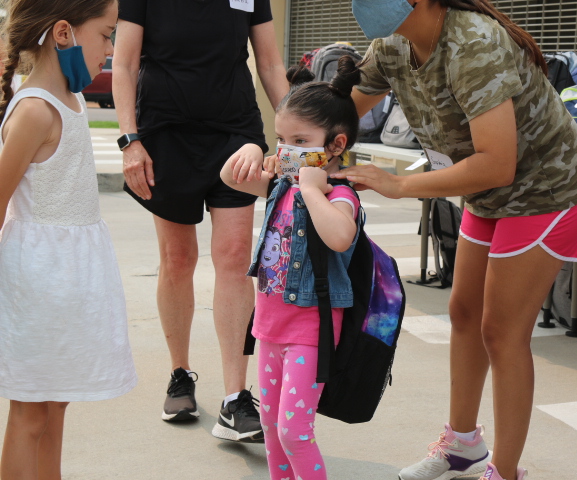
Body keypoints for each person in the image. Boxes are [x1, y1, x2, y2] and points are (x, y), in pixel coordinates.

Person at [335, 1, 577, 479]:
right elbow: (340, 113)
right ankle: (461, 445)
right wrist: (296, 149)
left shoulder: (473, 43)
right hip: (486, 193)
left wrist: (399, 184)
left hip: (546, 186)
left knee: (502, 332)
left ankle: (507, 470)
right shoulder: (393, 45)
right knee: (464, 312)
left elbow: (498, 161)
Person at [112, 0, 289, 440]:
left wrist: (295, 136)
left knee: (234, 256)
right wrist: (130, 139)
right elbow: (126, 62)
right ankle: (180, 374)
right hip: (165, 134)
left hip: (235, 133)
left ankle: (235, 398)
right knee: (178, 258)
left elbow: (268, 62)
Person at [0, 0, 137, 477]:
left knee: (55, 408)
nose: (111, 46)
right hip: (37, 287)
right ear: (63, 33)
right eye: (106, 33)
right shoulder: (36, 111)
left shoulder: (73, 102)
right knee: (31, 414)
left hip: (68, 286)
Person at [220, 57, 362, 480]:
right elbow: (230, 178)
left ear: (335, 145)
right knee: (270, 427)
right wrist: (250, 149)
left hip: (309, 333)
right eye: (281, 138)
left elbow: (339, 236)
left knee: (295, 431)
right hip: (269, 326)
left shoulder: (339, 194)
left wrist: (312, 191)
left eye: (300, 139)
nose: (286, 150)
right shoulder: (280, 183)